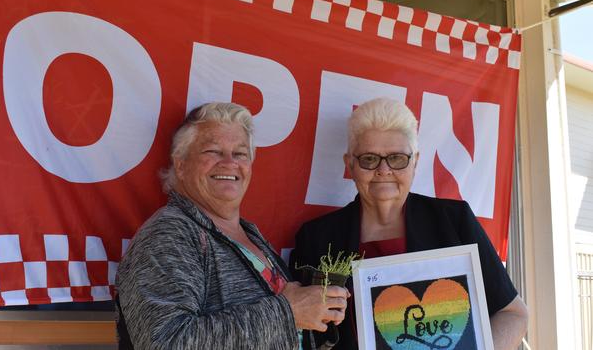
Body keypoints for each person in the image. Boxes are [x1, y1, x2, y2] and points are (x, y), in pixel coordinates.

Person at [289, 98, 528, 350]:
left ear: (415, 162)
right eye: (369, 159)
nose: (383, 170)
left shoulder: (453, 221)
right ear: (350, 164)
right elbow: (300, 333)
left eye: (397, 158)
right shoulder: (316, 237)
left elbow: (514, 314)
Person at [116, 102, 350, 349]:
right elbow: (167, 343)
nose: (229, 162)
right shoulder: (169, 233)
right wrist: (288, 312)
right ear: (181, 165)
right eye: (213, 151)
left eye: (240, 153)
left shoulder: (250, 235)